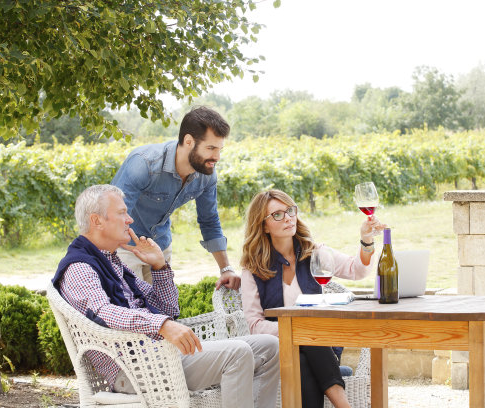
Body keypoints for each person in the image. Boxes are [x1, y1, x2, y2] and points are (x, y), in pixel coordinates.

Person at [52, 184, 280, 407]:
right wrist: (161, 325)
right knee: (237, 353)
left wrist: (160, 267)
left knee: (269, 347)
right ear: (97, 220)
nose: (130, 219)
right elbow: (104, 312)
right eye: (122, 213)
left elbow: (168, 311)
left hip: (160, 356)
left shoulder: (112, 262)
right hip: (133, 369)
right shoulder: (80, 267)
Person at [240, 189, 386, 408]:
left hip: (318, 344)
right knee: (304, 346)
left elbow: (357, 270)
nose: (288, 218)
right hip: (276, 350)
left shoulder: (314, 252)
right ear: (263, 225)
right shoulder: (253, 268)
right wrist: (293, 330)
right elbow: (254, 324)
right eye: (277, 215)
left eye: (290, 210)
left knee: (305, 352)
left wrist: (366, 240)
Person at [111, 106, 238, 289]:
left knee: (164, 309)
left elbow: (209, 220)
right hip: (126, 247)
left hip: (160, 245)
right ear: (188, 141)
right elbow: (115, 215)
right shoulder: (144, 164)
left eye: (220, 149)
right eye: (210, 148)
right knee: (132, 309)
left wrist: (226, 268)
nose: (216, 157)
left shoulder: (207, 174)